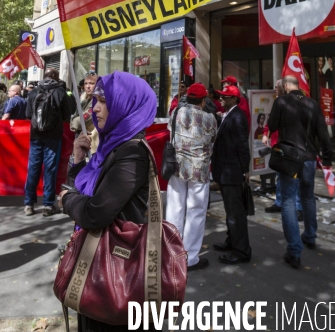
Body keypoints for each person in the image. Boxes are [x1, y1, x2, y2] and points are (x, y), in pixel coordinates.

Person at [59, 71, 157, 332]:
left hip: (118, 275)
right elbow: (89, 192)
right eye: (95, 100)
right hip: (100, 267)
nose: (95, 108)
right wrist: (78, 161)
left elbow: (95, 213)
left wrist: (66, 200)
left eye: (104, 101)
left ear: (127, 103)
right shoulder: (110, 145)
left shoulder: (132, 152)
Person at [268, 75, 333, 269]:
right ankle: (310, 236)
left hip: (290, 158)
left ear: (287, 86)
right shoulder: (312, 104)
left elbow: (272, 126)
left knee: (288, 200)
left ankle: (294, 250)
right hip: (309, 159)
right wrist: (327, 159)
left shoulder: (281, 101)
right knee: (308, 197)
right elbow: (323, 134)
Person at [166, 82, 217, 271]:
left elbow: (171, 134)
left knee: (174, 208)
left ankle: (171, 252)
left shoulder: (176, 113)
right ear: (203, 100)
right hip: (199, 169)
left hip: (177, 166)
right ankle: (191, 257)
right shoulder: (211, 118)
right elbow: (213, 140)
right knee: (196, 211)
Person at [211, 85, 252, 264]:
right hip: (225, 171)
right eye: (221, 96)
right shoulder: (229, 115)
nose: (221, 99)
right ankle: (232, 241)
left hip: (232, 172)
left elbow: (242, 145)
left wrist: (245, 169)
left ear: (234, 99)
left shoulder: (237, 117)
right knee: (231, 211)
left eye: (225, 97)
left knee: (236, 213)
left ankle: (241, 250)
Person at [24, 69, 72, 216]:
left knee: (33, 168)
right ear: (56, 78)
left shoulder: (33, 92)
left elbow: (27, 114)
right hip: (53, 136)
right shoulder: (60, 92)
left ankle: (29, 204)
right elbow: (67, 115)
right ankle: (48, 205)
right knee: (50, 169)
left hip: (36, 136)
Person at [262, 79, 303, 220]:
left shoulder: (294, 103)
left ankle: (298, 207)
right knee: (279, 175)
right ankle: (279, 202)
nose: (274, 89)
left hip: (291, 146)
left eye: (277, 87)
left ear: (283, 87)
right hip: (278, 145)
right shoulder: (278, 101)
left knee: (294, 177)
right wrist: (266, 134)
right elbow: (271, 122)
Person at [70, 73, 99, 153]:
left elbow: (80, 122)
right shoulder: (85, 100)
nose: (88, 86)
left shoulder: (97, 101)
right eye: (86, 83)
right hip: (84, 143)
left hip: (92, 145)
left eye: (91, 83)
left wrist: (73, 120)